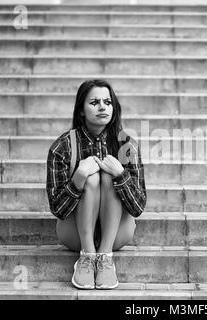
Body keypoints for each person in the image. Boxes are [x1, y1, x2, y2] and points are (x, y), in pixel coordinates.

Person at [46, 79, 147, 290]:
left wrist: (121, 174)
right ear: (81, 110)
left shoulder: (126, 145)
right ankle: (87, 256)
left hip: (118, 232)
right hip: (74, 233)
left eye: (107, 102)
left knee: (110, 176)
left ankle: (105, 258)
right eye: (94, 102)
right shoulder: (63, 146)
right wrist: (78, 178)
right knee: (91, 178)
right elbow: (57, 209)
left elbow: (138, 207)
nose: (102, 107)